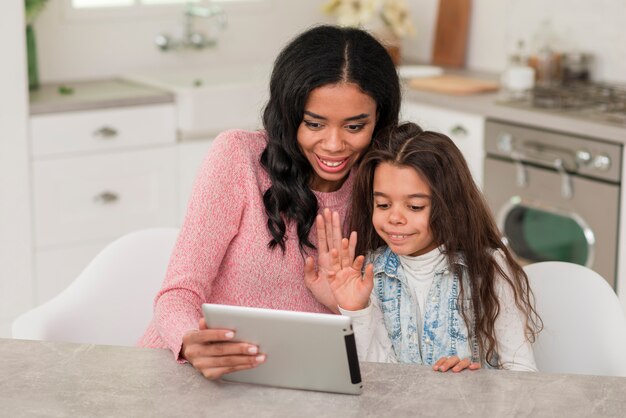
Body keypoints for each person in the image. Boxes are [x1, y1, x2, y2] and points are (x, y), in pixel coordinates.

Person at [137, 25, 401, 380]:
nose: (334, 145)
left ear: (379, 121)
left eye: (354, 127)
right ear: (289, 114)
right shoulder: (239, 157)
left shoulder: (386, 188)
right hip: (189, 374)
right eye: (314, 123)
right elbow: (178, 293)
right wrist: (191, 341)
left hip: (298, 387)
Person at [307, 122, 541, 372]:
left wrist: (476, 383)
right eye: (383, 205)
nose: (394, 218)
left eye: (415, 207)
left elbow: (522, 373)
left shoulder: (488, 267)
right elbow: (381, 373)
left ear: (449, 205)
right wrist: (355, 310)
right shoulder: (369, 273)